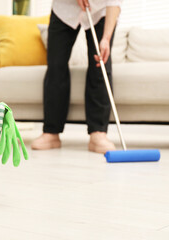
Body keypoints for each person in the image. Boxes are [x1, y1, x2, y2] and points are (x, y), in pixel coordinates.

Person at [31, 0, 122, 154]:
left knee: (100, 65)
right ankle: (51, 132)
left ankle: (98, 134)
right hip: (64, 10)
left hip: (100, 13)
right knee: (56, 66)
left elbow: (115, 2)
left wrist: (105, 39)